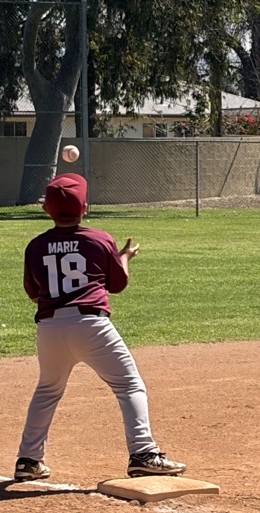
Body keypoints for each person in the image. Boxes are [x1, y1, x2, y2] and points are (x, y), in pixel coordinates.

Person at [13, 174, 188, 482]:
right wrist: (123, 257)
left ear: (46, 211)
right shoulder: (98, 238)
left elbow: (32, 292)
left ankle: (29, 460)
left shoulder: (36, 245)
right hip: (91, 324)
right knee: (129, 386)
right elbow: (118, 284)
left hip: (50, 328)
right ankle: (144, 454)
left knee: (47, 391)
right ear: (86, 208)